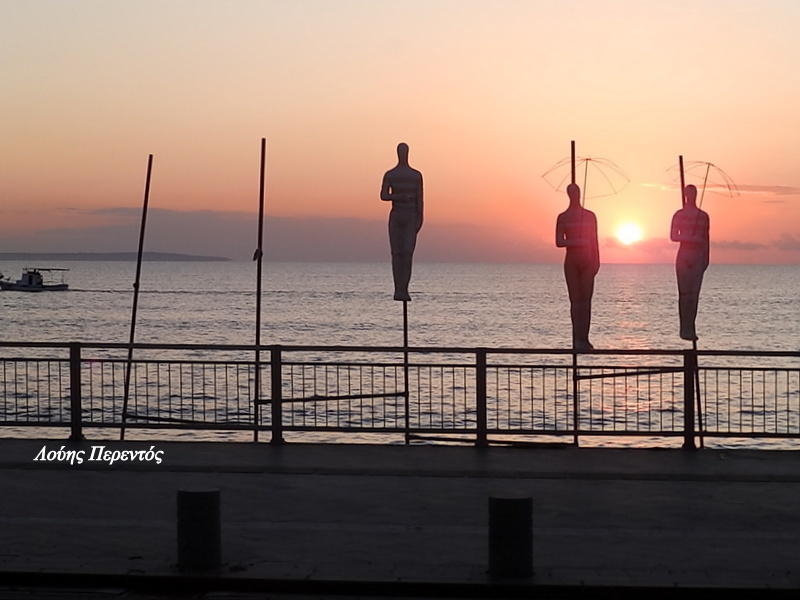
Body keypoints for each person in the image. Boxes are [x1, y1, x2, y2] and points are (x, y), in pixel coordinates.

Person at [555, 183, 599, 350]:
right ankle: (577, 338)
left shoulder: (589, 216)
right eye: (571, 192)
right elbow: (559, 241)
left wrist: (597, 261)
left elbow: (595, 240)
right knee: (575, 301)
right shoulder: (563, 217)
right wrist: (576, 242)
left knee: (586, 301)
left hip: (588, 261)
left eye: (577, 192)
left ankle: (584, 338)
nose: (575, 195)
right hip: (572, 261)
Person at [380, 142, 423, 301]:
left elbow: (420, 199)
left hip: (410, 215)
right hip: (397, 214)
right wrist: (399, 197)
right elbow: (384, 195)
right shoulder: (390, 174)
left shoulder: (416, 175)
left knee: (407, 254)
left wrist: (420, 218)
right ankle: (398, 288)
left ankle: (404, 288)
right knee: (397, 253)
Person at [670, 184, 710, 341]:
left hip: (698, 256)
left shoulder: (703, 216)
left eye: (694, 193)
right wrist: (689, 238)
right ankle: (684, 328)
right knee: (684, 294)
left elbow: (706, 238)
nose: (692, 195)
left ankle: (691, 327)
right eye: (689, 193)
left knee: (694, 295)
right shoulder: (679, 215)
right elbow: (673, 236)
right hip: (684, 254)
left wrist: (706, 258)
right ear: (685, 194)